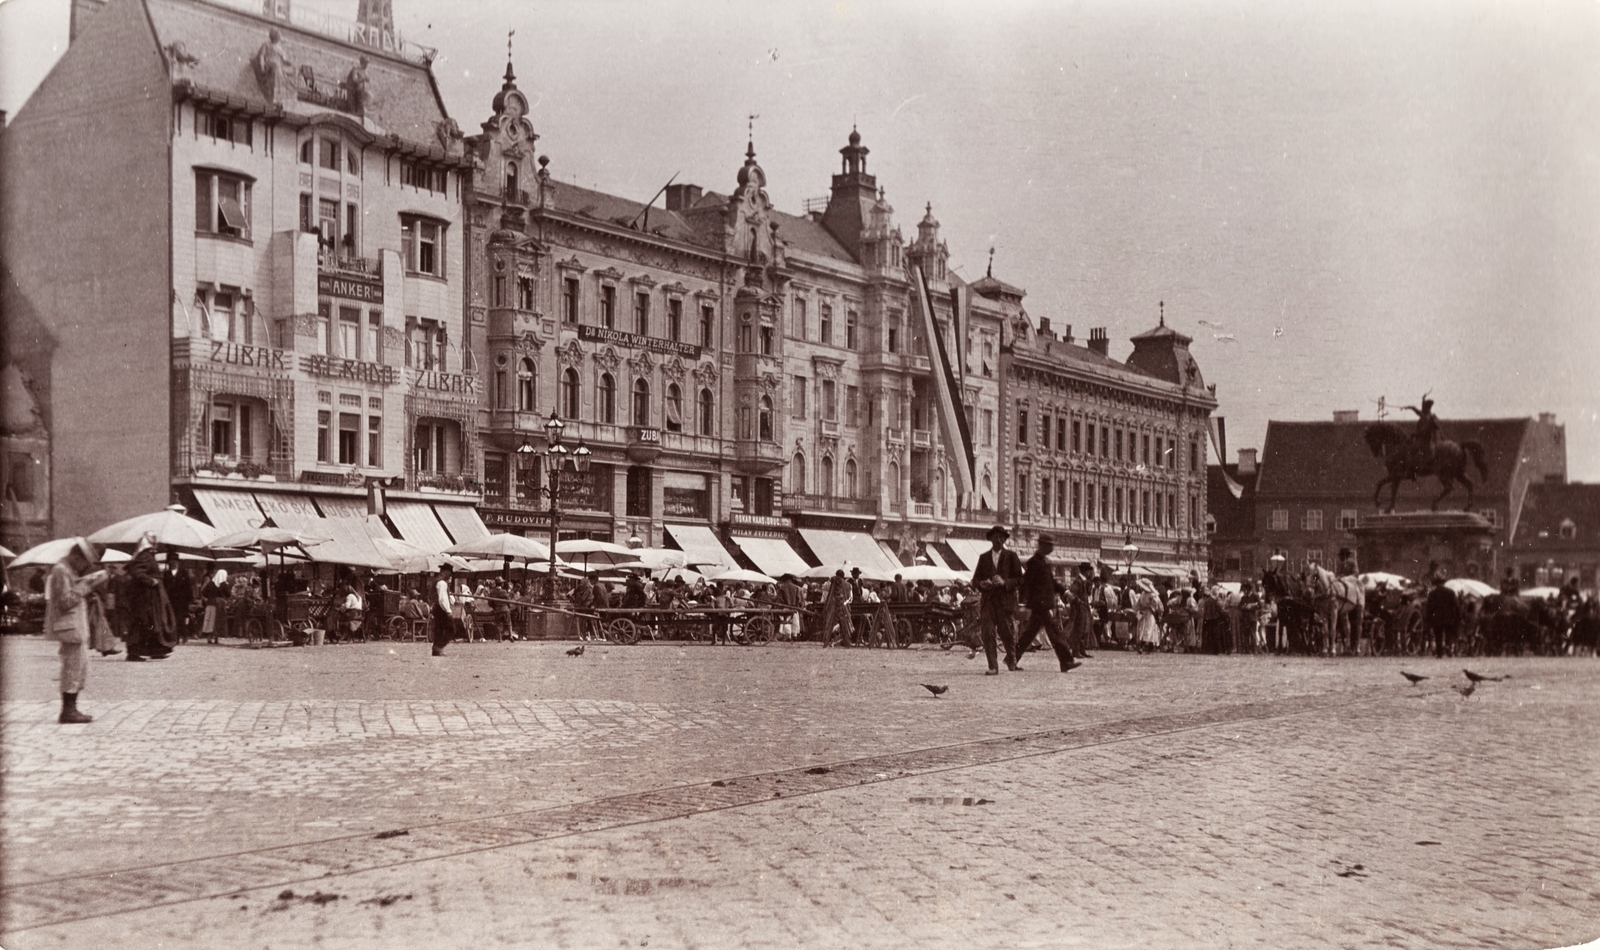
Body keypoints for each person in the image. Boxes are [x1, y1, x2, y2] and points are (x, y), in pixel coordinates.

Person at [44, 539, 109, 723]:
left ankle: (72, 708)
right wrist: (87, 585)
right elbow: (65, 600)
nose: (83, 567)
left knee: (79, 666)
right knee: (72, 667)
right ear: (76, 556)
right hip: (69, 626)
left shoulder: (68, 570)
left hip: (75, 625)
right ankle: (68, 711)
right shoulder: (61, 571)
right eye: (84, 563)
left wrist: (86, 581)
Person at [1014, 535, 1080, 673]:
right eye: (1049, 545)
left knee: (1030, 634)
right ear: (1042, 545)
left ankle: (1012, 658)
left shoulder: (1044, 562)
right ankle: (1066, 661)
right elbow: (1026, 583)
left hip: (1043, 604)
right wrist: (1022, 602)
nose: (1051, 548)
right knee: (1054, 634)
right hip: (1040, 605)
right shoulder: (1034, 562)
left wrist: (1066, 592)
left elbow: (1052, 583)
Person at [971, 524, 1022, 674]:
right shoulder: (984, 558)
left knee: (1006, 633)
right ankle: (993, 666)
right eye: (995, 537)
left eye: (1001, 537)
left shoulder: (1011, 556)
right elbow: (975, 580)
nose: (998, 540)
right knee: (988, 633)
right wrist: (981, 584)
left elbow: (1020, 579)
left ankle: (1011, 659)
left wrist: (1005, 582)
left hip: (1005, 603)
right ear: (991, 539)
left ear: (1004, 540)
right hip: (988, 602)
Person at [124, 532, 173, 661]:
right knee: (143, 622)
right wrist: (152, 581)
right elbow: (138, 573)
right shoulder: (144, 556)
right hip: (145, 596)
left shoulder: (146, 556)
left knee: (152, 622)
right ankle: (134, 652)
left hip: (148, 596)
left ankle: (155, 650)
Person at [161, 553, 195, 645]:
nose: (174, 563)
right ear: (170, 563)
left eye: (175, 561)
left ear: (178, 563)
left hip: (181, 601)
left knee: (180, 618)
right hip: (171, 600)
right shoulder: (167, 574)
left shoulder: (183, 573)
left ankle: (184, 635)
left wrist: (190, 600)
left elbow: (188, 587)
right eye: (172, 562)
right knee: (172, 619)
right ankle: (175, 638)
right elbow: (164, 587)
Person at [1424, 573, 1460, 659]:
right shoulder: (1450, 592)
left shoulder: (1432, 593)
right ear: (1444, 583)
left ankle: (1439, 652)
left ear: (1436, 584)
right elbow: (1456, 605)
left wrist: (1428, 619)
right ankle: (1448, 647)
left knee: (1438, 635)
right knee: (1448, 634)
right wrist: (1458, 617)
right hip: (1449, 617)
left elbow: (1429, 607)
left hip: (1437, 618)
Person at [1402, 397, 1440, 475]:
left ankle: (1413, 468)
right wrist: (1422, 399)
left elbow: (1423, 431)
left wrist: (1414, 434)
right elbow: (1416, 409)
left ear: (1426, 407)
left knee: (1412, 449)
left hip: (1424, 441)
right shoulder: (1429, 415)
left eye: (1424, 406)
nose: (1422, 408)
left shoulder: (1426, 417)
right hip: (1426, 439)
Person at [431, 564, 460, 656]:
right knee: (452, 629)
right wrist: (448, 611)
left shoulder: (439, 582)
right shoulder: (442, 583)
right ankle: (438, 647)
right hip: (441, 609)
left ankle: (436, 650)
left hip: (437, 608)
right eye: (449, 573)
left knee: (439, 629)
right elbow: (442, 599)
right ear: (446, 572)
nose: (450, 576)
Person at [819, 570, 853, 647]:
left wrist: (827, 607)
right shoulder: (848, 585)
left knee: (830, 624)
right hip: (844, 607)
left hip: (835, 606)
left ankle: (826, 642)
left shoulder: (835, 582)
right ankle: (847, 643)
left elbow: (829, 594)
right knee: (844, 626)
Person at [1134, 578, 1163, 652]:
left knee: (1148, 629)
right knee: (1142, 629)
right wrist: (1137, 609)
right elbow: (1138, 603)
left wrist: (1149, 606)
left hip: (1149, 613)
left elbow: (1155, 605)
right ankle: (1143, 645)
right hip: (1142, 613)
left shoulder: (1152, 595)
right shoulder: (1143, 594)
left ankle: (1147, 645)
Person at [200, 569, 229, 643]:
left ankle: (209, 638)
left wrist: (210, 597)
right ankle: (216, 637)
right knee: (218, 620)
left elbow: (204, 592)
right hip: (219, 604)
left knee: (210, 620)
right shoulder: (223, 584)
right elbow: (228, 594)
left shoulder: (211, 583)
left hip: (210, 603)